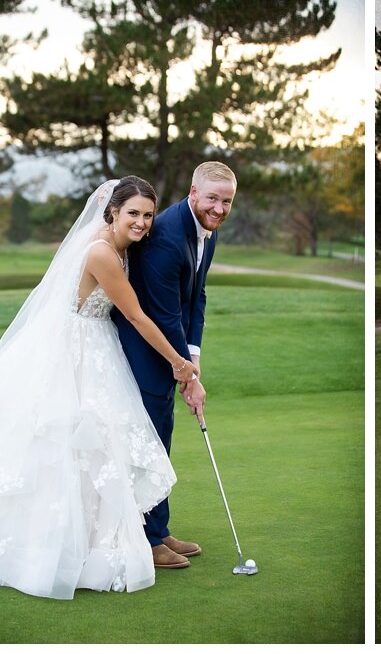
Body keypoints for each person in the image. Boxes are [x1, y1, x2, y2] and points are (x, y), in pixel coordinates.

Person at [0, 177, 197, 599]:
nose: (141, 222)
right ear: (112, 212)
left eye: (147, 215)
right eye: (133, 213)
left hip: (97, 345)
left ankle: (143, 533)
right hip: (76, 351)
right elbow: (136, 316)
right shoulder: (102, 252)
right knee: (65, 443)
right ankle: (56, 541)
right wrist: (179, 362)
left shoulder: (122, 246)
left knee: (99, 445)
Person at [114, 161, 235, 570]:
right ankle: (145, 541)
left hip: (168, 348)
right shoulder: (166, 236)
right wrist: (185, 372)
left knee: (159, 440)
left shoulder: (206, 231)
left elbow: (195, 299)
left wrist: (193, 362)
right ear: (193, 192)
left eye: (227, 201)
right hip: (143, 351)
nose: (219, 209)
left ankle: (159, 530)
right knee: (147, 445)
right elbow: (165, 315)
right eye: (212, 199)